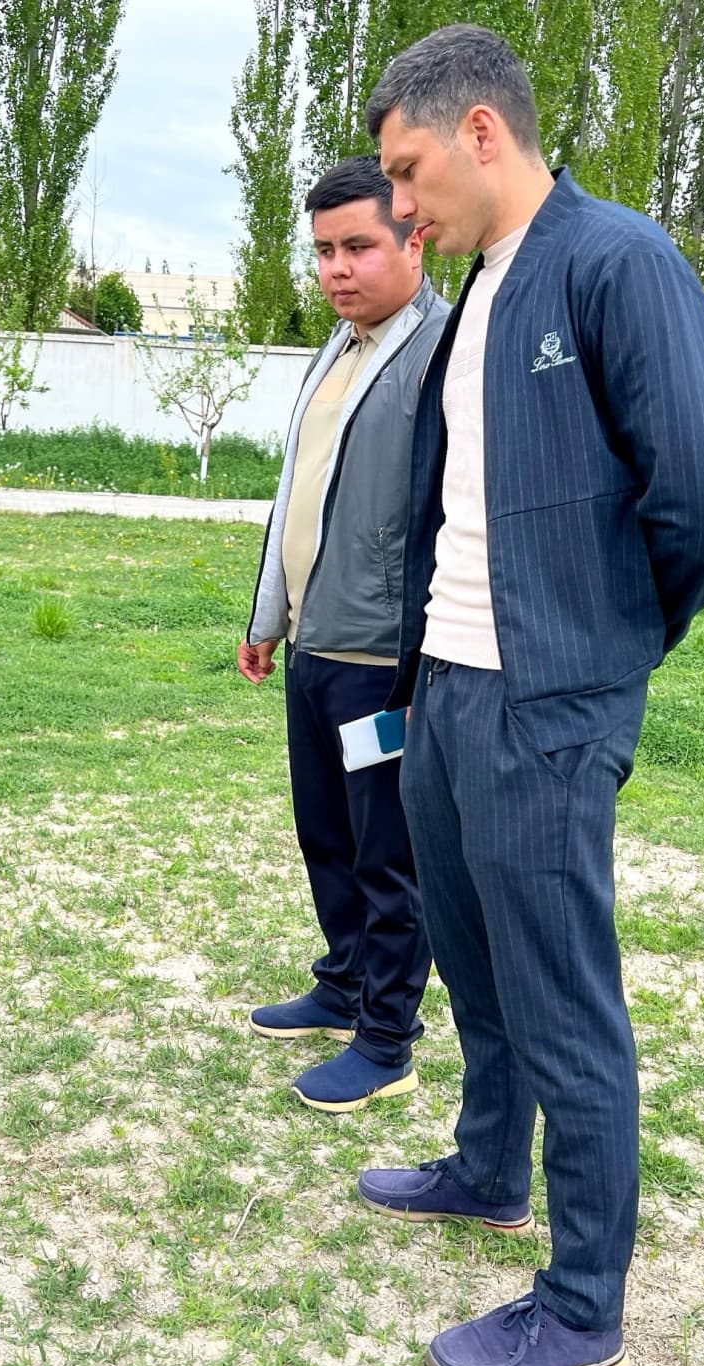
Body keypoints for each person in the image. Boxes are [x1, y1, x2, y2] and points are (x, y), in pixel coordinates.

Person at [354, 26, 704, 1366]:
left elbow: (702, 505)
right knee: (476, 958)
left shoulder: (615, 263)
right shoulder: (481, 292)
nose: (401, 207)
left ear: (479, 132)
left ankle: (583, 1301)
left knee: (564, 1000)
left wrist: (606, 646)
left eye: (407, 172)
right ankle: (483, 1167)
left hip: (546, 701)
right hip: (450, 694)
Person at [239, 157, 451, 1114]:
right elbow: (300, 493)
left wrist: (424, 662)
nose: (336, 268)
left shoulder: (442, 352)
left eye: (358, 245)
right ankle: (343, 983)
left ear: (414, 237)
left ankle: (387, 1034)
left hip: (385, 662)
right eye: (323, 250)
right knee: (324, 829)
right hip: (317, 647)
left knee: (387, 850)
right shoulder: (339, 347)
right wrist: (267, 619)